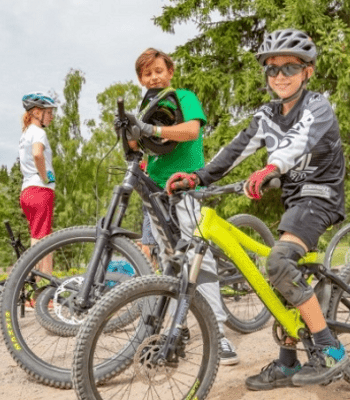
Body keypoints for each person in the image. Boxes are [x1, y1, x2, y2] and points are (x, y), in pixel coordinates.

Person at [165, 29, 348, 389]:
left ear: (308, 71)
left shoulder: (318, 107)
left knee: (278, 263)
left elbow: (299, 142)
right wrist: (198, 176)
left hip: (322, 195)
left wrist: (271, 167)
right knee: (281, 278)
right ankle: (288, 362)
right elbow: (235, 150)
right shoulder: (266, 115)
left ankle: (331, 349)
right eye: (272, 69)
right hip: (295, 200)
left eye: (290, 68)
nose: (280, 76)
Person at [123, 48, 239, 365]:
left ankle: (218, 334)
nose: (154, 77)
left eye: (159, 70)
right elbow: (136, 147)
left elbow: (191, 130)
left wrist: (152, 129)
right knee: (170, 262)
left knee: (200, 260)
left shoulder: (184, 96)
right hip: (156, 190)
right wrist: (128, 130)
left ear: (170, 72)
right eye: (147, 74)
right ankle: (181, 327)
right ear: (140, 80)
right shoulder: (146, 106)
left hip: (185, 185)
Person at [19, 92, 57, 280]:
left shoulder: (25, 134)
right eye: (49, 112)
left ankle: (31, 287)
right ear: (36, 112)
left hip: (27, 191)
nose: (51, 116)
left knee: (36, 237)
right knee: (45, 242)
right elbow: (37, 154)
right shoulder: (38, 132)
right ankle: (44, 289)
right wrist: (45, 177)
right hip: (40, 190)